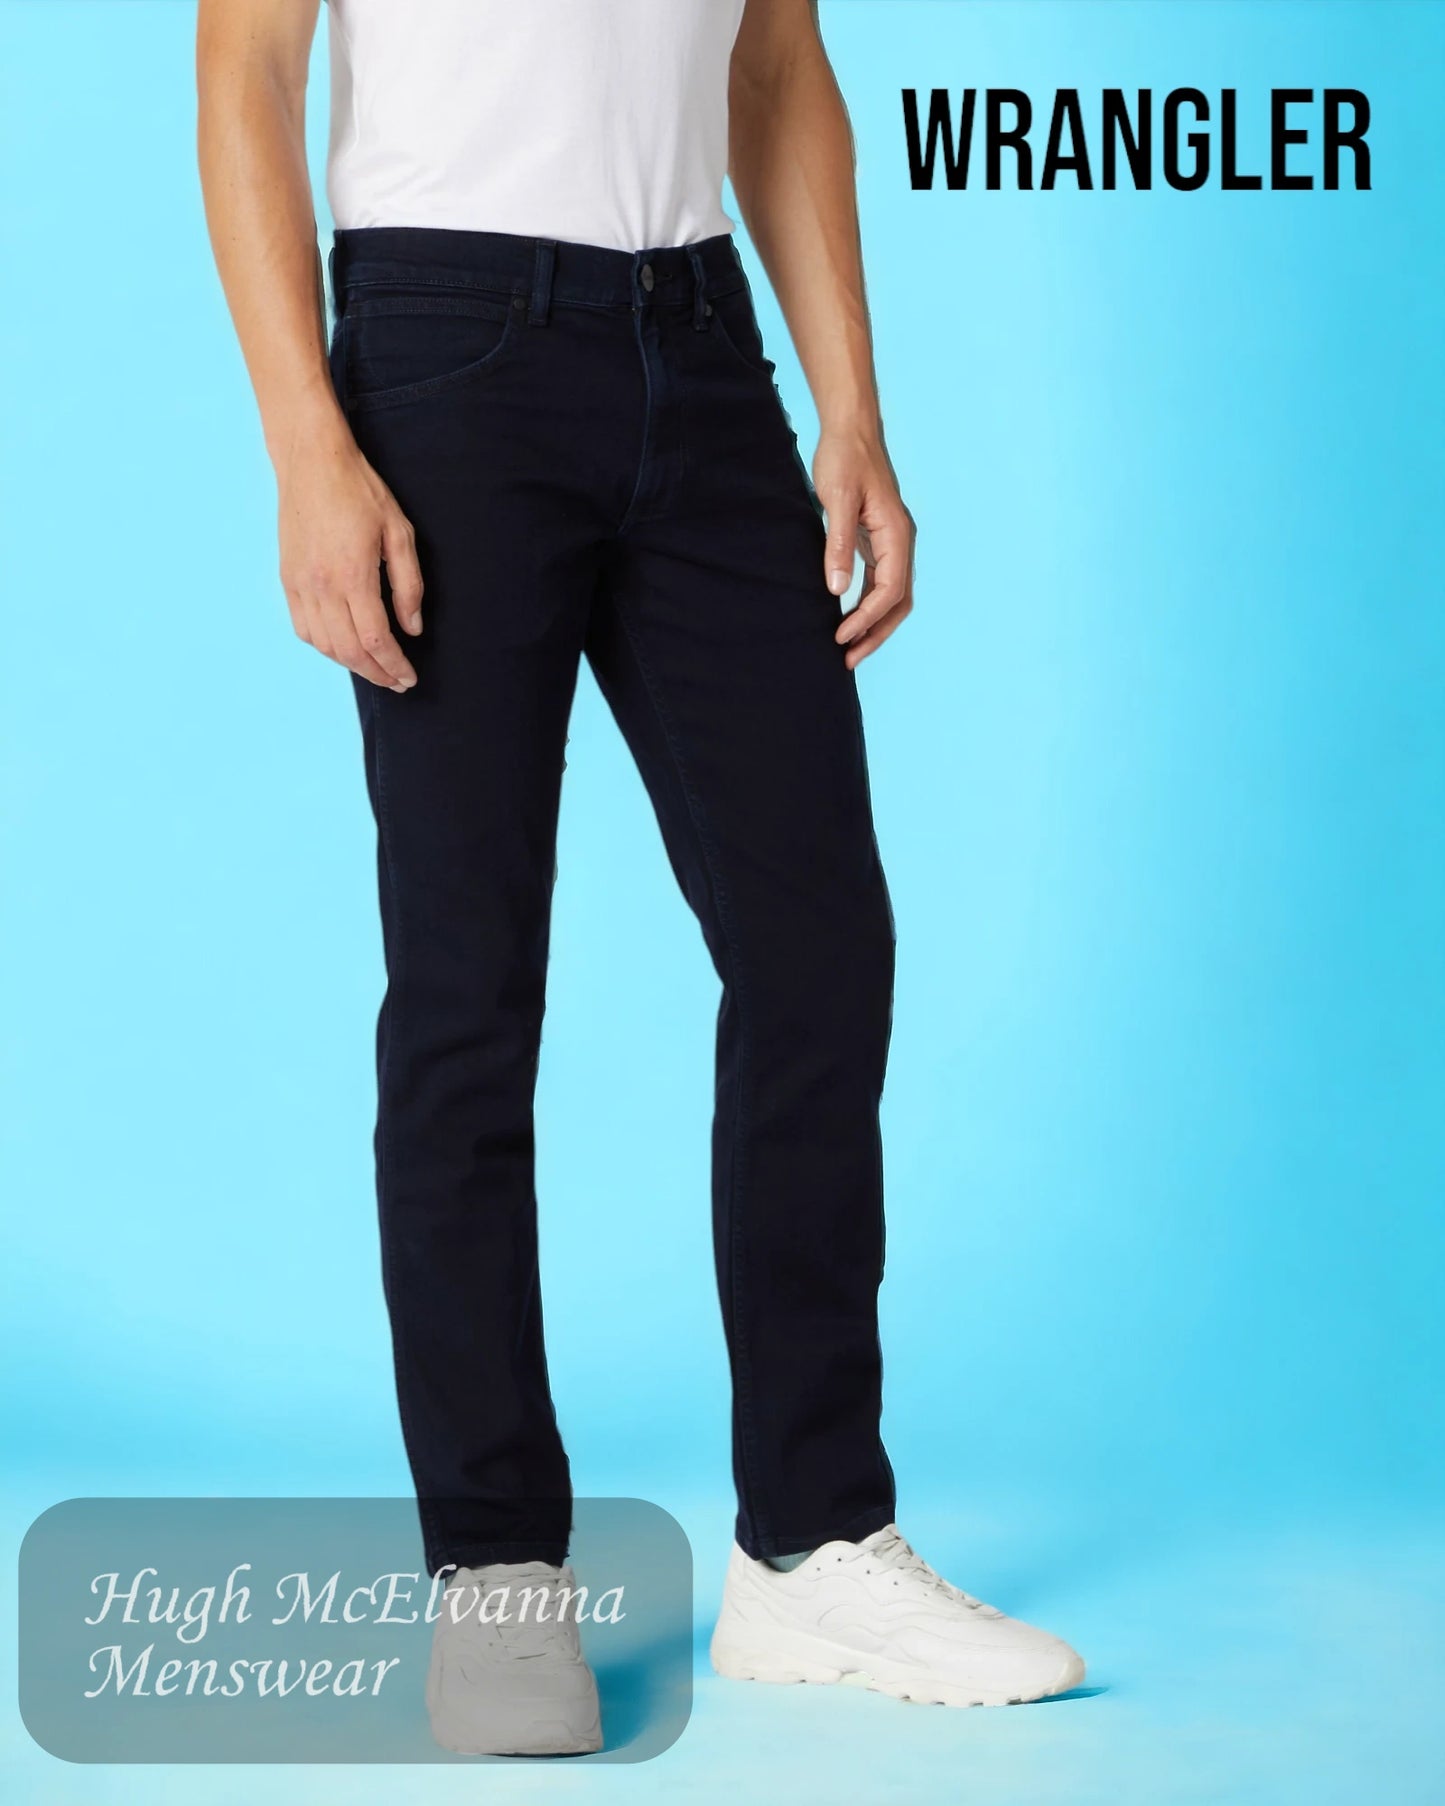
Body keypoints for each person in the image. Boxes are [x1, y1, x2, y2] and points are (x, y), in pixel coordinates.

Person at [197, 0, 1085, 1754]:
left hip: (698, 344)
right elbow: (247, 64)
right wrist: (306, 444)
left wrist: (851, 408)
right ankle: (496, 1567)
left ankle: (809, 1541)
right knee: (467, 986)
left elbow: (773, 61)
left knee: (816, 942)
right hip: (443, 346)